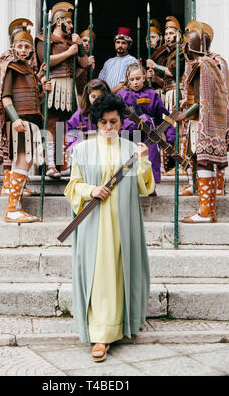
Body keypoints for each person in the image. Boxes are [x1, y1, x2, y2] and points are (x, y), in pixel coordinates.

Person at [64, 93, 154, 362]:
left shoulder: (131, 148)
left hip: (124, 223)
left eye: (113, 121)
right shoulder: (82, 150)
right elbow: (72, 187)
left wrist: (144, 160)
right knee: (99, 276)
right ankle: (100, 335)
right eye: (102, 122)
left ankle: (122, 324)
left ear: (121, 121)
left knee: (120, 273)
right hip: (94, 225)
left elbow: (144, 186)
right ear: (95, 122)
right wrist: (91, 190)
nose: (108, 127)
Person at [0, 18, 50, 223]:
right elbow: (5, 98)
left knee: (25, 160)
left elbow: (36, 100)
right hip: (20, 121)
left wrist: (43, 87)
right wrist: (15, 119)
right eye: (19, 46)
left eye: (26, 46)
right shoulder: (12, 67)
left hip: (31, 120)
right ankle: (12, 208)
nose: (23, 49)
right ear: (13, 47)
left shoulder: (30, 71)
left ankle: (16, 206)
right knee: (24, 160)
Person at [175, 20, 229, 223]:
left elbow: (202, 101)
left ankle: (205, 213)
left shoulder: (202, 65)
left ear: (188, 46)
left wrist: (183, 114)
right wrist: (187, 100)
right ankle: (208, 211)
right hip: (204, 121)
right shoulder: (211, 63)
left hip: (201, 121)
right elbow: (198, 95)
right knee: (202, 161)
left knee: (203, 161)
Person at [36, 2, 89, 178]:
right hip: (55, 83)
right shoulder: (44, 38)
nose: (72, 26)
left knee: (65, 126)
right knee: (51, 124)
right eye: (69, 22)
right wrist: (68, 53)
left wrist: (79, 46)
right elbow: (46, 60)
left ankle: (63, 163)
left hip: (69, 85)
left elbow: (84, 63)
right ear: (59, 21)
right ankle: (50, 164)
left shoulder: (70, 41)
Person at [117, 63, 175, 187]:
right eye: (132, 80)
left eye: (138, 79)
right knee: (128, 162)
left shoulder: (152, 94)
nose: (135, 82)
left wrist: (171, 135)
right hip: (128, 135)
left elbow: (164, 116)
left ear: (144, 77)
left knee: (150, 159)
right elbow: (117, 117)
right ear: (127, 80)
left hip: (148, 135)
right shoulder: (121, 95)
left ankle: (151, 186)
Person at [147, 16, 185, 175]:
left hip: (176, 94)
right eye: (167, 33)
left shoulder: (180, 51)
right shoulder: (170, 52)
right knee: (169, 128)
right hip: (167, 93)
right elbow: (166, 79)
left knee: (177, 128)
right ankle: (170, 165)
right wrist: (155, 78)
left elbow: (173, 72)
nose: (169, 36)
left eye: (172, 33)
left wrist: (156, 66)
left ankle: (180, 165)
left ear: (179, 34)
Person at [66, 79, 135, 152]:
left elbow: (127, 126)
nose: (96, 100)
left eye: (100, 96)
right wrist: (82, 139)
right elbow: (70, 134)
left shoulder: (114, 111)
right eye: (93, 96)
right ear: (87, 96)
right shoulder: (79, 115)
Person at [98, 27, 138, 94]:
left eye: (124, 43)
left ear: (129, 46)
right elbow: (100, 81)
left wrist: (108, 95)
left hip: (121, 99)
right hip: (106, 98)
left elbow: (124, 84)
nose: (120, 45)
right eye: (118, 42)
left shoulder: (132, 60)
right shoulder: (108, 62)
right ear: (115, 44)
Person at [75, 27, 96, 103]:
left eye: (90, 42)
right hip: (75, 95)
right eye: (84, 41)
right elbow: (72, 76)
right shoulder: (74, 56)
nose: (87, 44)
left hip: (86, 97)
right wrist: (86, 64)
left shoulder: (91, 58)